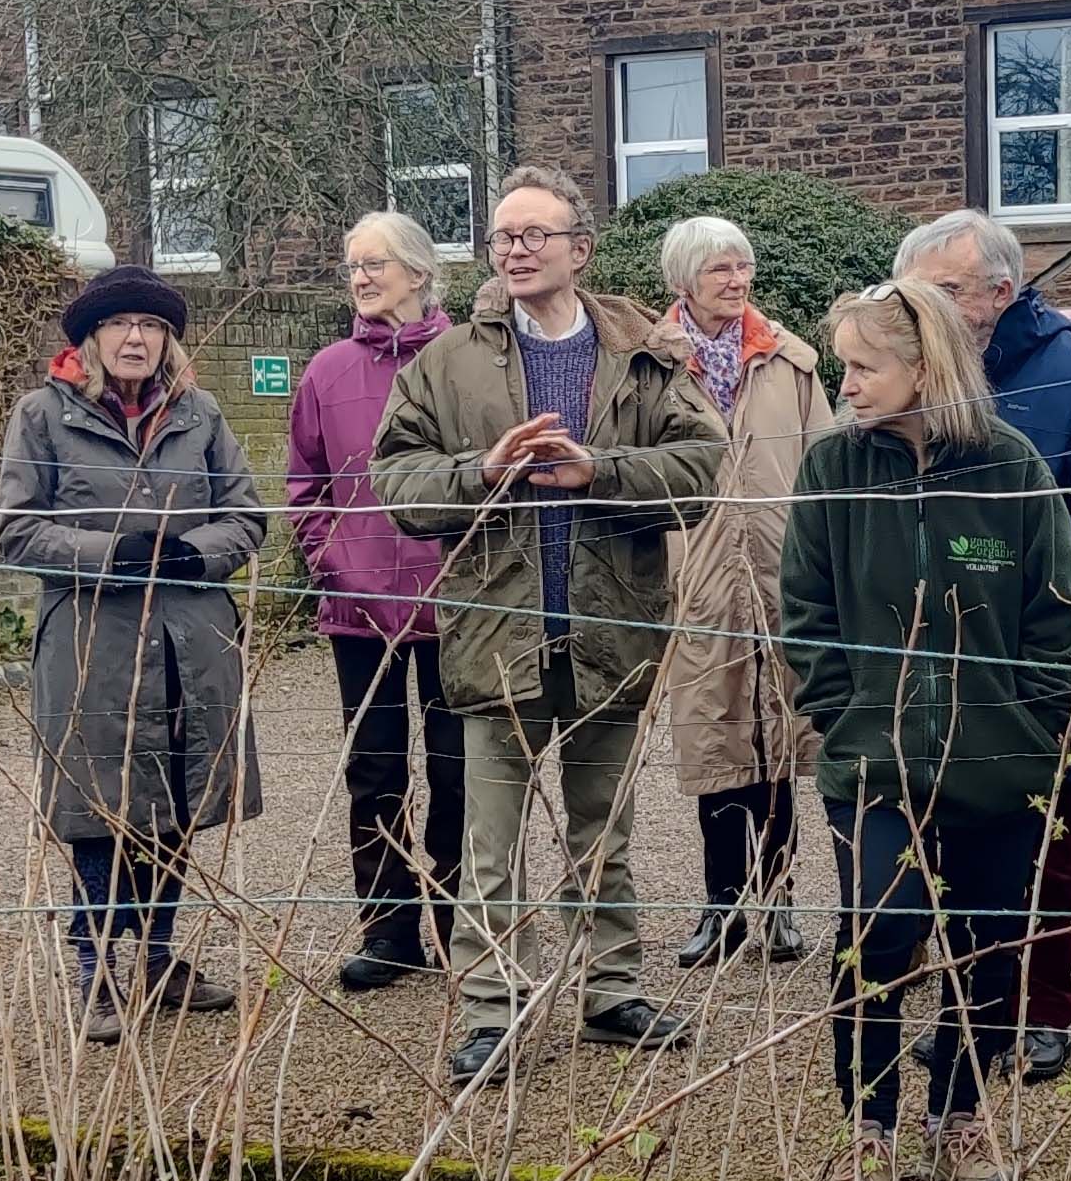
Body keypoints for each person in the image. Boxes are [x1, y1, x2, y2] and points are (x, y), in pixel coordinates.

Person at [369, 165, 726, 1087]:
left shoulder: (645, 351)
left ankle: (611, 994)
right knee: (492, 847)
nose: (516, 249)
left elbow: (702, 470)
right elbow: (395, 481)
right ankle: (493, 1014)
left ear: (580, 246)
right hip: (495, 638)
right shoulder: (445, 362)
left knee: (601, 832)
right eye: (502, 235)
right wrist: (481, 473)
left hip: (613, 632)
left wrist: (599, 469)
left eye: (535, 234)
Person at [785, 280, 1071, 1181]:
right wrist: (846, 722)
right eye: (842, 363)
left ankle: (958, 1116)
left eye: (863, 365)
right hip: (874, 769)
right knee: (877, 936)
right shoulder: (831, 469)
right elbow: (806, 615)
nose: (845, 383)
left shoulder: (1009, 466)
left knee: (987, 948)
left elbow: (1063, 615)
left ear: (925, 368)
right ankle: (868, 1127)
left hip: (1001, 768)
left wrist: (1030, 730)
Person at [893, 209, 1071, 1084]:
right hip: (924, 648)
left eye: (947, 290)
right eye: (919, 290)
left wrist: (1000, 575)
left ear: (1003, 291)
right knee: (939, 828)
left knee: (1043, 825)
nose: (931, 306)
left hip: (1030, 651)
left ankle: (1042, 1007)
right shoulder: (901, 375)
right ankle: (968, 1002)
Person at [0, 264, 265, 1044]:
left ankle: (155, 955)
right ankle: (93, 965)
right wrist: (112, 552)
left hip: (191, 640)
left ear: (168, 339)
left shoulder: (201, 414)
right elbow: (15, 527)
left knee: (178, 797)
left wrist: (193, 554)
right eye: (119, 325)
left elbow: (246, 515)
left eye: (150, 326)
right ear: (92, 338)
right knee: (96, 807)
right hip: (91, 644)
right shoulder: (42, 416)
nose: (136, 338)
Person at [289, 211, 463, 993]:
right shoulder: (326, 369)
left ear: (420, 273)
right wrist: (331, 560)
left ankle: (467, 928)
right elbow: (304, 483)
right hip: (358, 611)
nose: (360, 277)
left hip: (459, 605)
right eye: (352, 264)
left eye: (376, 263)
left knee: (464, 772)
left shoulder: (468, 360)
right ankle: (389, 930)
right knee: (375, 772)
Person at [653, 215, 832, 970]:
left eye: (743, 266)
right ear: (681, 282)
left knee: (779, 743)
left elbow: (826, 471)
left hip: (778, 577)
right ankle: (720, 905)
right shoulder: (649, 364)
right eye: (720, 268)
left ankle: (780, 900)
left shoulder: (792, 362)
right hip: (694, 582)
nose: (737, 279)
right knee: (715, 746)